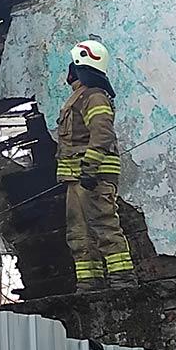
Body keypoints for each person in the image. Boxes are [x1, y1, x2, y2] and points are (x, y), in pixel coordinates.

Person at [55, 39, 136, 291]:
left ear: (78, 67)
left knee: (104, 226)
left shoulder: (94, 96)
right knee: (79, 234)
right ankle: (90, 282)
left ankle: (123, 280)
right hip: (78, 178)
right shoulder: (80, 97)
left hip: (93, 176)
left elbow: (102, 133)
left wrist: (90, 167)